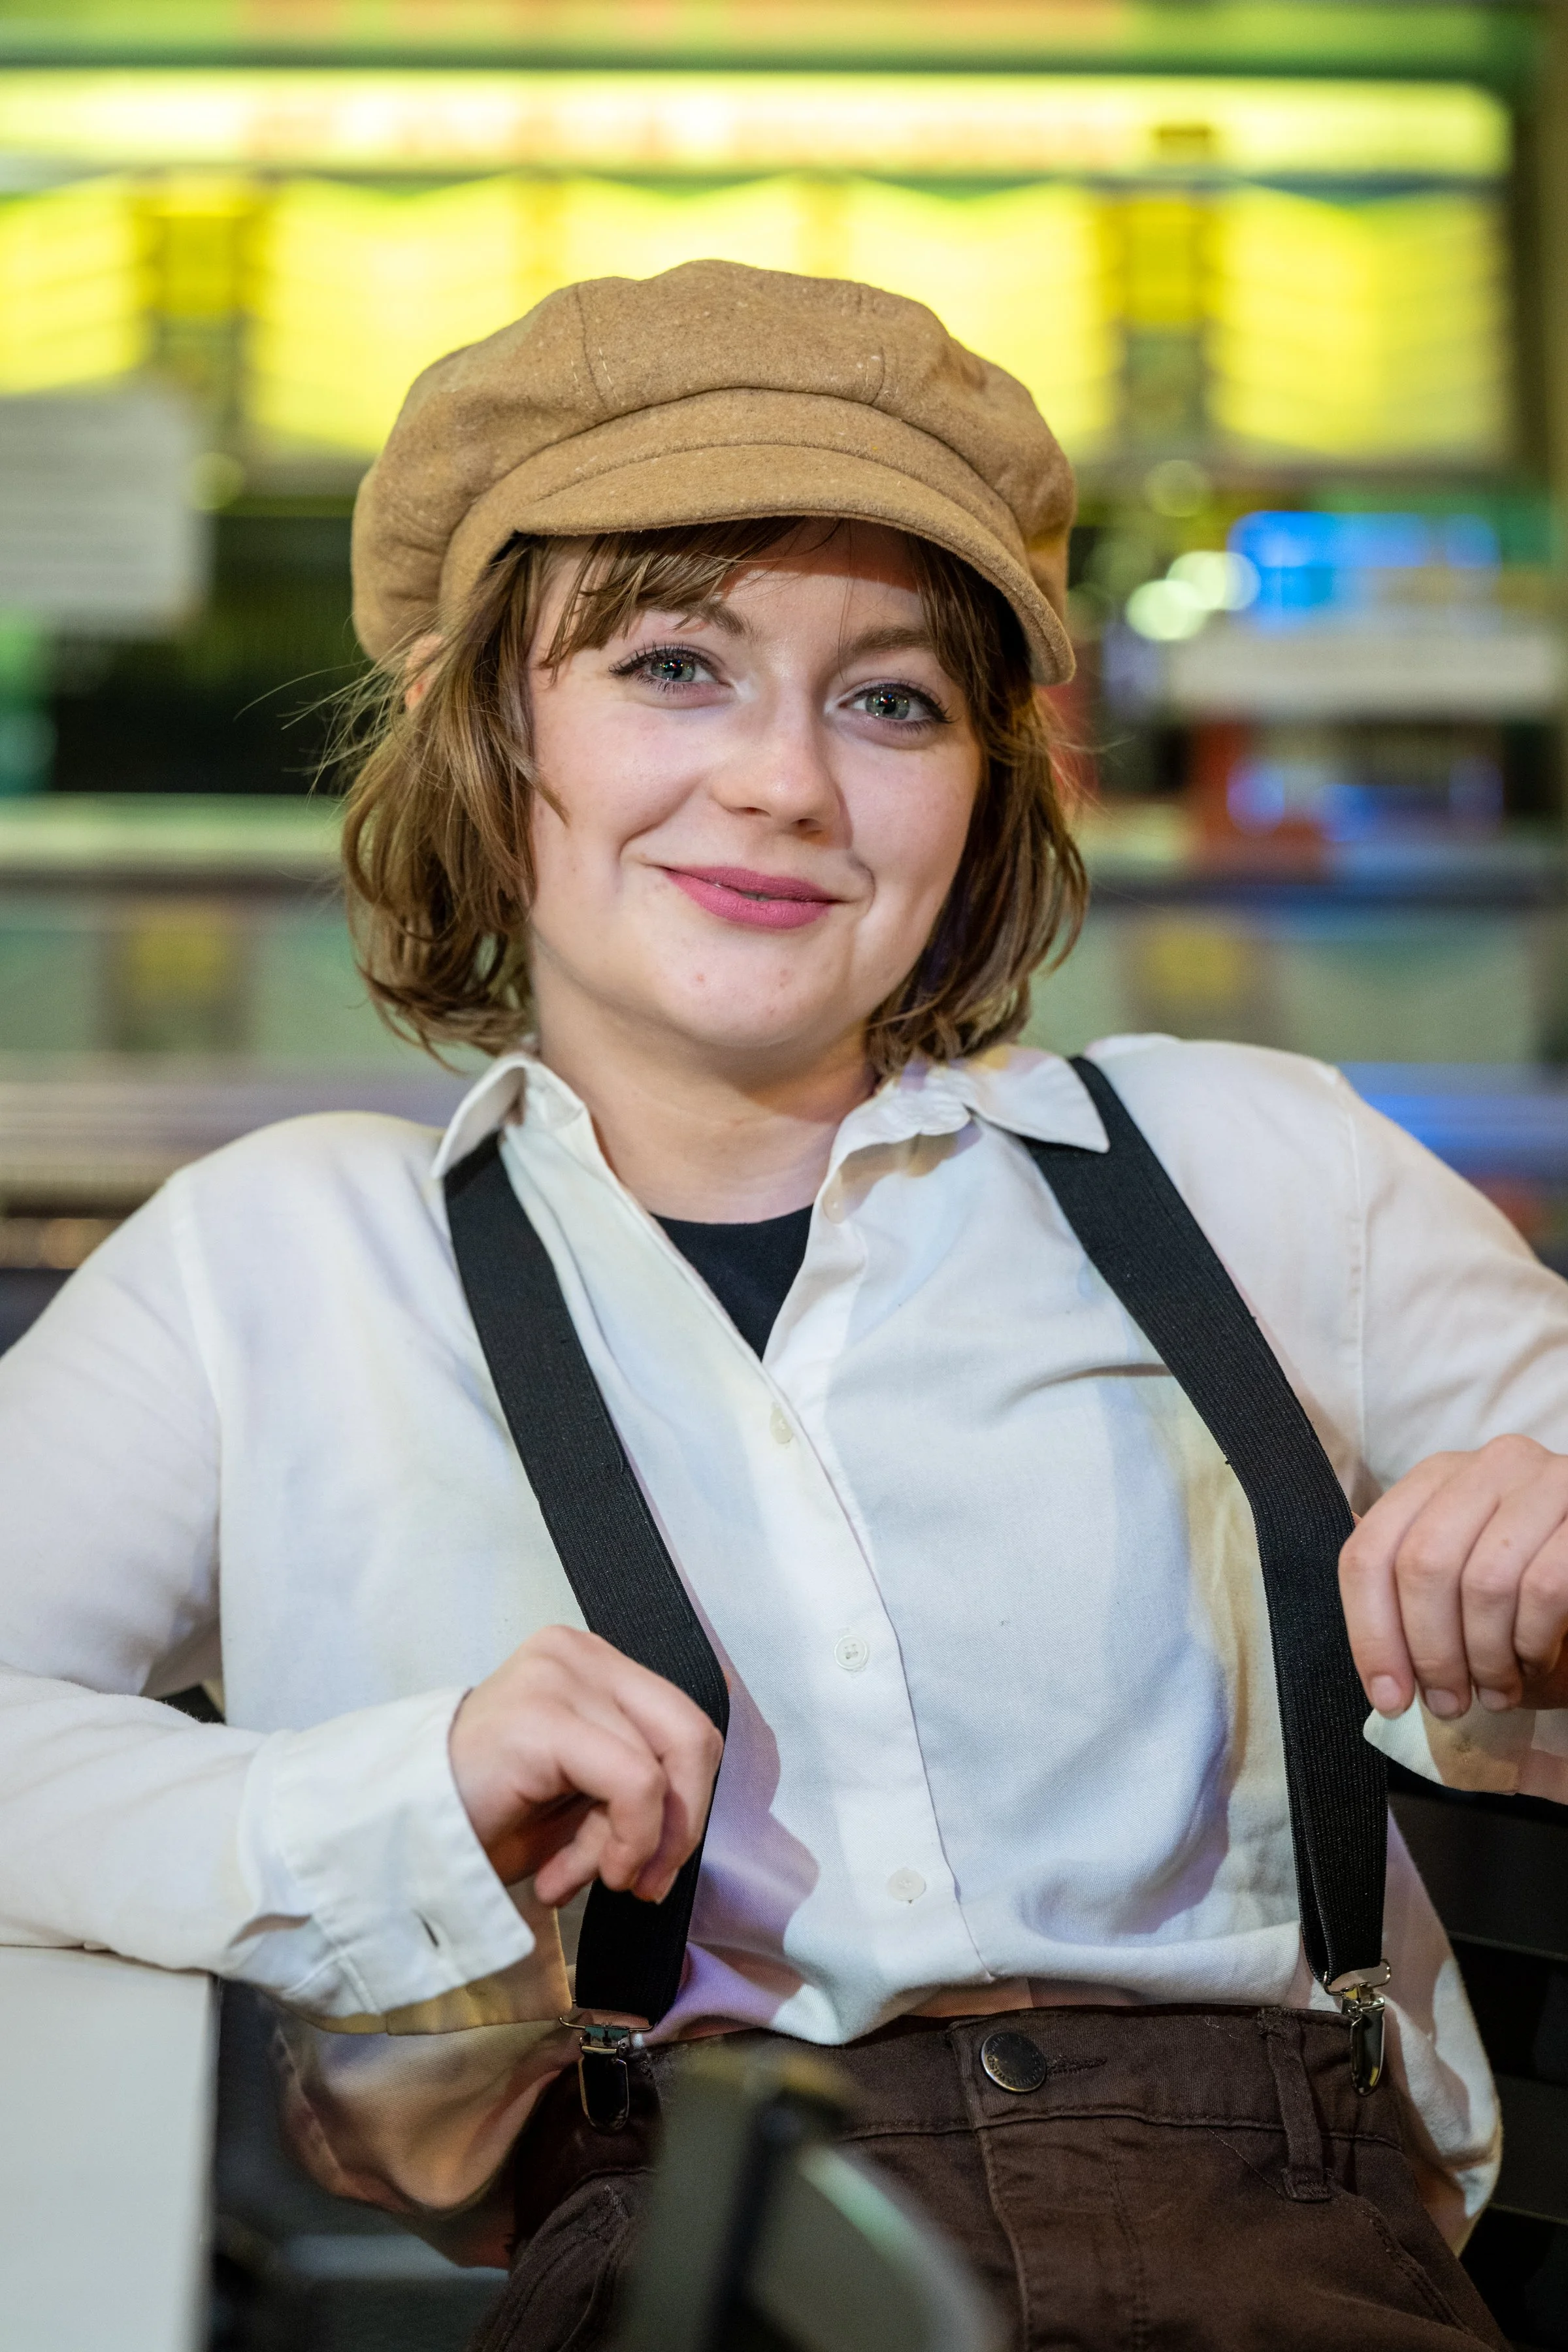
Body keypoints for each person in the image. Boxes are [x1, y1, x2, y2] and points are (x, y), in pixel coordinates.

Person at [1, 261, 1566, 2352]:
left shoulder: (1250, 1165)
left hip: (1299, 2273)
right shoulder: (277, 1258)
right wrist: (399, 1803)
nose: (785, 785)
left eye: (891, 699)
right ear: (491, 731)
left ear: (986, 786)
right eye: (673, 665)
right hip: (676, 2277)